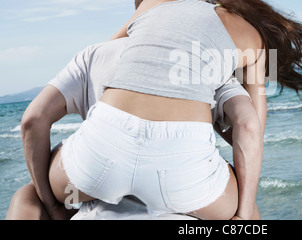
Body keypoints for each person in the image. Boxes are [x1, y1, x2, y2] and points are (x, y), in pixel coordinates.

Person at [40, 0, 302, 220]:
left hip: (100, 155)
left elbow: (115, 48)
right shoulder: (258, 46)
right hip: (184, 178)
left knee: (35, 191)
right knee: (246, 203)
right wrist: (243, 211)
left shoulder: (161, 1)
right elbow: (254, 130)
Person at [7, 37, 255, 220]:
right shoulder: (202, 59)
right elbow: (247, 130)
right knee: (246, 201)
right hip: (183, 193)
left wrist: (51, 204)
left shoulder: (95, 54)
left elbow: (32, 120)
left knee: (30, 193)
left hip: (96, 182)